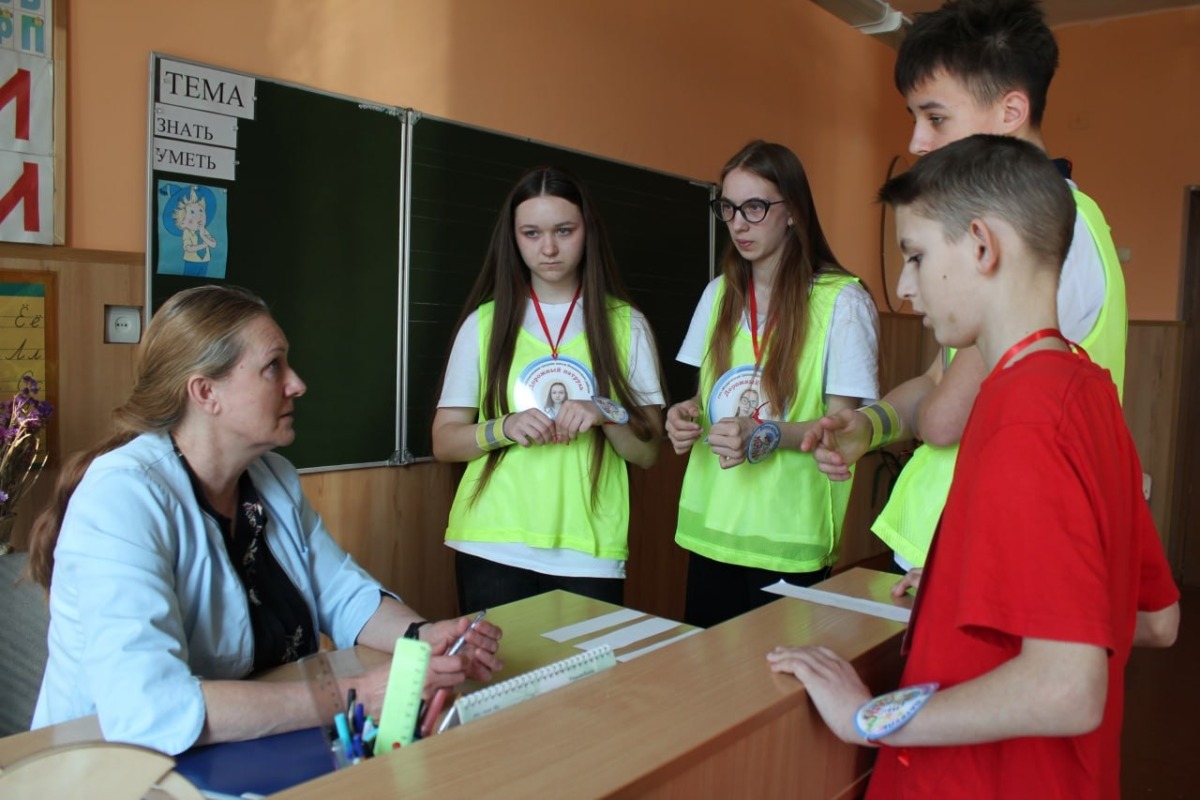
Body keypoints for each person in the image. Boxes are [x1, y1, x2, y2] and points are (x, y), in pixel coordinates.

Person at [769, 135, 1179, 799]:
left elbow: (1067, 687)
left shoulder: (1026, 419)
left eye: (916, 256)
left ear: (983, 247)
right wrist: (964, 589)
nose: (906, 288)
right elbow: (1156, 619)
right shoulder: (1088, 391)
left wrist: (865, 717)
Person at [26, 285, 503, 756]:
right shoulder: (122, 497)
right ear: (205, 392)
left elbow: (341, 593)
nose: (297, 383)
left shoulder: (272, 477)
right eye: (273, 366)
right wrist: (358, 694)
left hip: (244, 748)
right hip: (109, 768)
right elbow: (151, 706)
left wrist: (422, 637)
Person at [803, 0, 1127, 589]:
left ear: (1010, 112)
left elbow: (945, 416)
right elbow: (938, 379)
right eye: (914, 117)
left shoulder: (1040, 236)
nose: (917, 141)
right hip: (953, 554)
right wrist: (870, 426)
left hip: (994, 563)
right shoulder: (1024, 225)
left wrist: (923, 412)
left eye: (936, 117)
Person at [666, 140, 879, 628]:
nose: (739, 223)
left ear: (793, 211)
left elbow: (841, 428)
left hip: (789, 539)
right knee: (709, 673)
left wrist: (762, 433)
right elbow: (704, 399)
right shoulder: (718, 294)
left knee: (778, 674)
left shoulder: (842, 301)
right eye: (728, 208)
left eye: (755, 207)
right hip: (712, 529)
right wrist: (683, 416)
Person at [432, 166, 665, 611]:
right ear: (514, 239)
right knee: (501, 661)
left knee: (586, 662)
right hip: (490, 541)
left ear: (587, 231)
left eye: (564, 230)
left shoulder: (627, 325)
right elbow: (444, 441)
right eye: (532, 233)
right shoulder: (483, 324)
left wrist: (605, 410)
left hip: (588, 547)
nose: (549, 248)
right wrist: (503, 427)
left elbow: (648, 452)